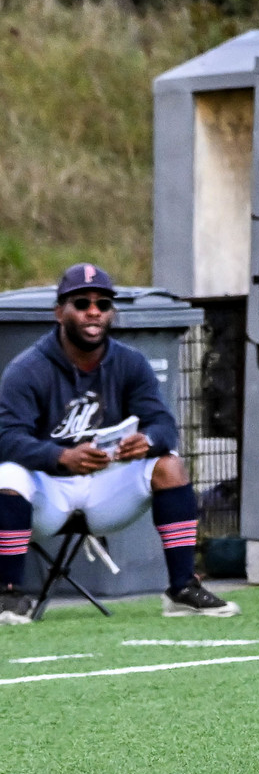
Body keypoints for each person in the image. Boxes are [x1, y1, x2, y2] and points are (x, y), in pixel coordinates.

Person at [0, 264, 239, 624]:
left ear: (112, 313)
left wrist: (147, 441)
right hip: (47, 494)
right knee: (7, 475)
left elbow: (164, 426)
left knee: (169, 463)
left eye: (103, 303)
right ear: (59, 312)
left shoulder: (130, 362)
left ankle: (181, 589)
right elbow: (6, 439)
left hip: (105, 490)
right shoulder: (28, 368)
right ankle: (7, 594)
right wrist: (61, 456)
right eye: (81, 303)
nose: (93, 311)